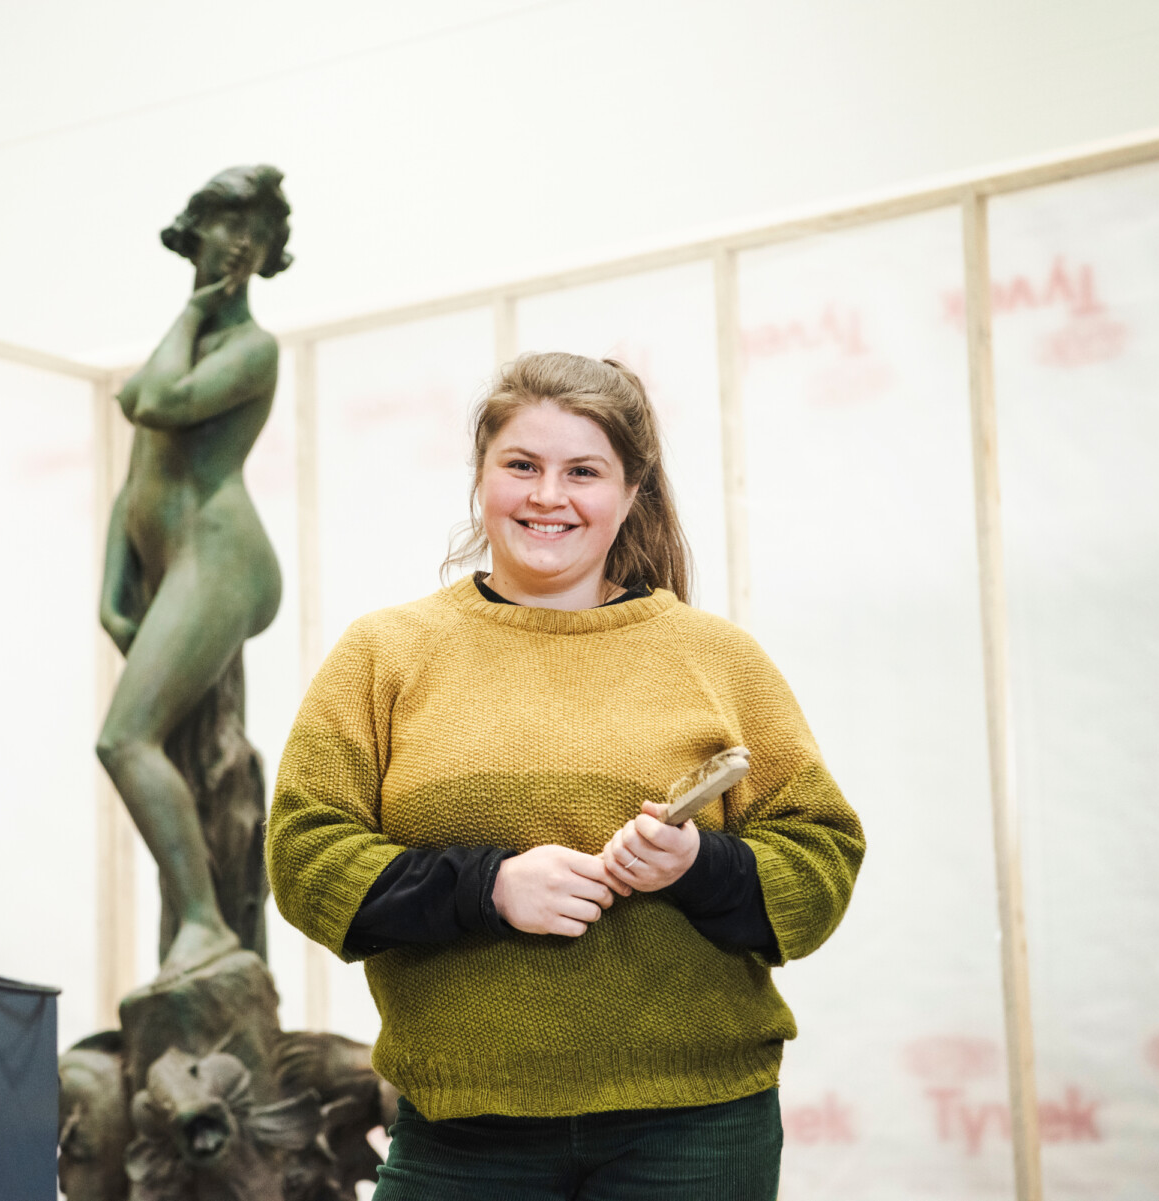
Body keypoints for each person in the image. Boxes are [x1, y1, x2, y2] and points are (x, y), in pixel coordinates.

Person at [266, 352, 865, 1200]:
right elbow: (304, 853)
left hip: (697, 1128)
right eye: (522, 465)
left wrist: (698, 865)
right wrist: (489, 887)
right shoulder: (384, 654)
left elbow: (822, 855)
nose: (548, 496)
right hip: (459, 1131)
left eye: (583, 471)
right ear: (482, 479)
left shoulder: (716, 658)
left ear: (631, 493)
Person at [98, 165, 290, 980]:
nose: (242, 242)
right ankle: (196, 922)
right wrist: (113, 582)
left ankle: (207, 925)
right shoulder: (188, 339)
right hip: (172, 559)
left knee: (125, 737)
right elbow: (140, 463)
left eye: (260, 231)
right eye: (227, 223)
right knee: (169, 746)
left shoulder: (251, 346)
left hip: (223, 556)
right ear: (194, 230)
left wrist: (191, 309)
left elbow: (159, 403)